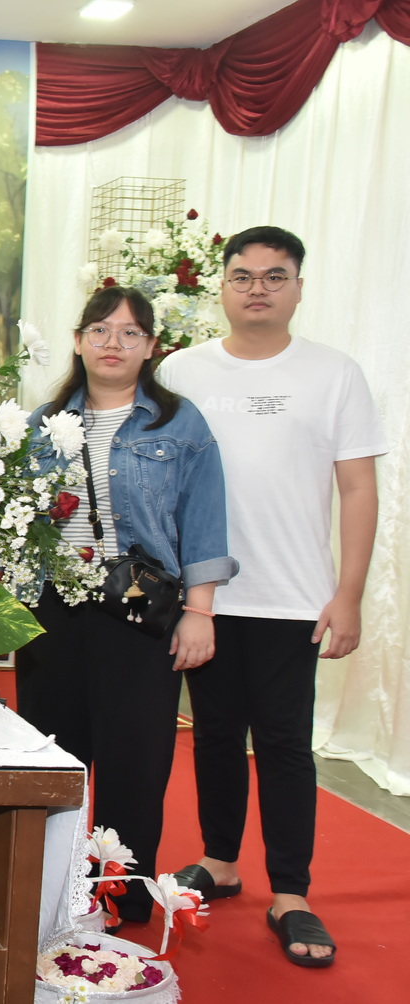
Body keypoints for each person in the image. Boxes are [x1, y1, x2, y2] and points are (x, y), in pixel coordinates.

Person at [159, 226, 386, 967]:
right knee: (215, 736)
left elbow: (358, 488)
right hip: (206, 596)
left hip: (294, 597)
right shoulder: (183, 371)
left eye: (274, 276)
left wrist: (348, 594)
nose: (257, 288)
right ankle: (220, 862)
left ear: (298, 287)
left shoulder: (334, 373)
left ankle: (291, 893)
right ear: (221, 286)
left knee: (285, 744)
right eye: (243, 275)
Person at [17, 286, 238, 926]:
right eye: (100, 330)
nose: (113, 343)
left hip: (140, 611)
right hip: (52, 610)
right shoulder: (40, 424)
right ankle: (49, 894)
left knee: (135, 761)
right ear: (79, 340)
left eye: (130, 332)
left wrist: (201, 612)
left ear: (150, 347)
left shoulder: (179, 423)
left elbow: (203, 521)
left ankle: (119, 897)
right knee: (53, 755)